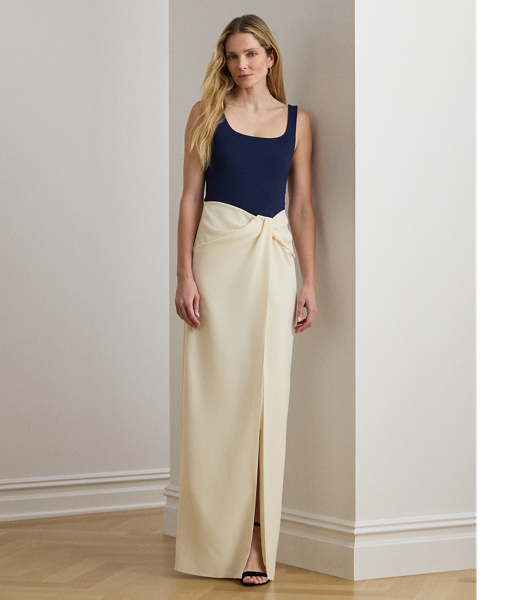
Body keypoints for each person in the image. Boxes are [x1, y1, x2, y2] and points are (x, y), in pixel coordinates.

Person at [173, 14, 316, 587]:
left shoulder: (298, 122)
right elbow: (190, 197)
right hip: (217, 261)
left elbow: (301, 205)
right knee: (215, 399)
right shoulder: (205, 114)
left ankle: (257, 540)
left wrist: (309, 280)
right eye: (233, 56)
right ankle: (215, 541)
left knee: (266, 399)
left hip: (274, 262)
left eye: (252, 54)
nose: (242, 65)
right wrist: (183, 274)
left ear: (270, 57)